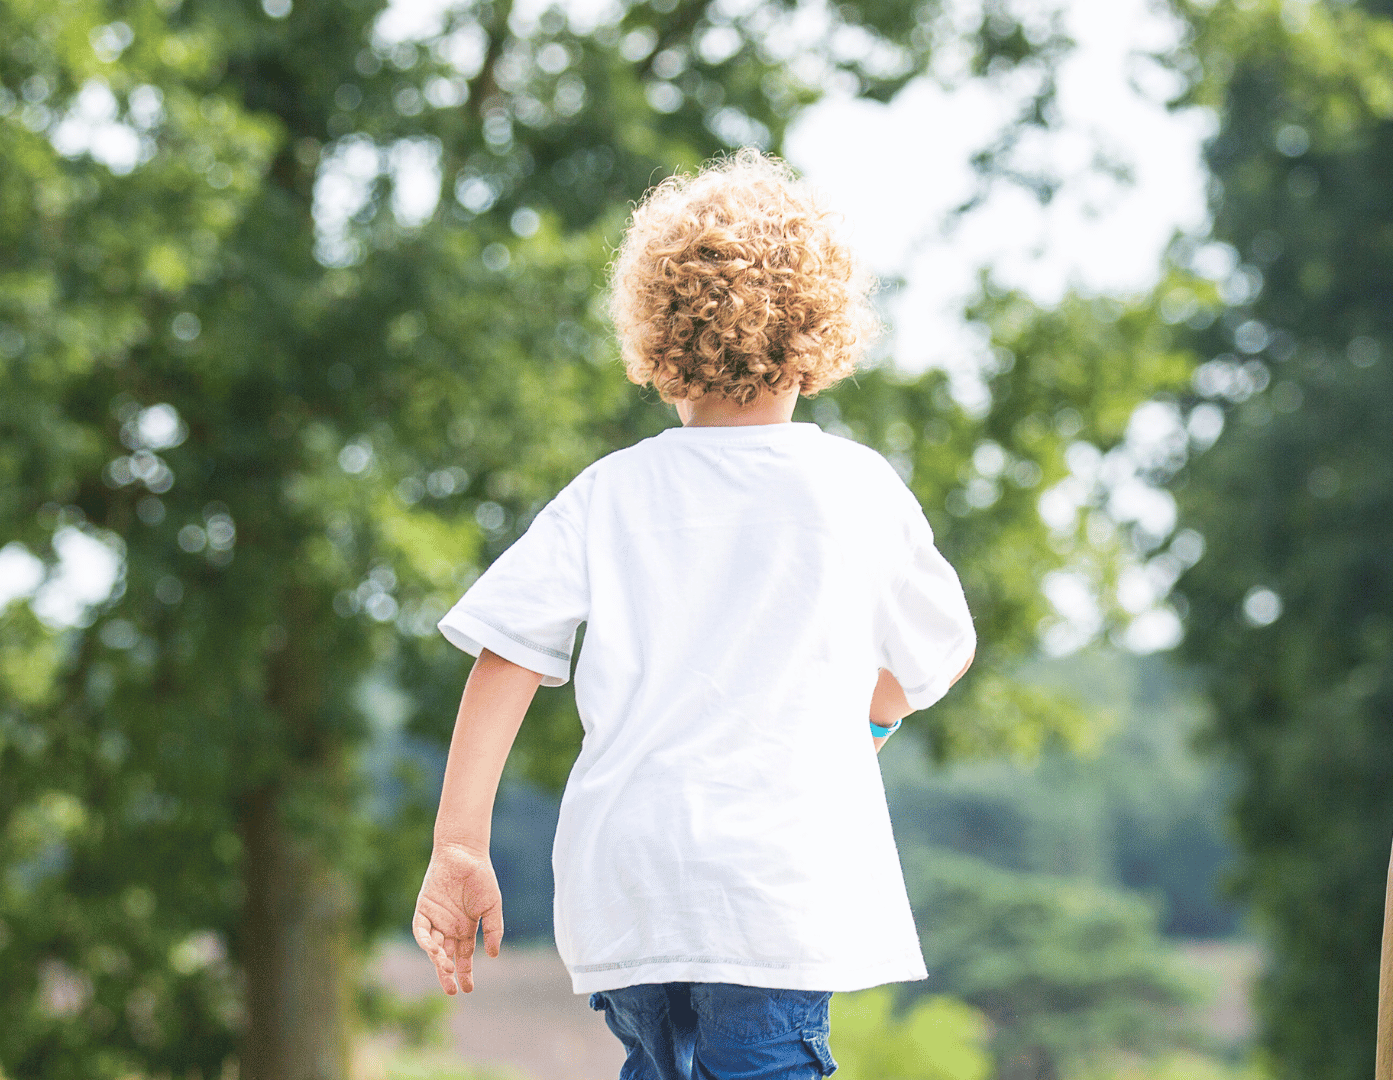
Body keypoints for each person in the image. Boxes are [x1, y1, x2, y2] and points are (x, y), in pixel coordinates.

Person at [411, 147, 977, 1080]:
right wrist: (869, 719)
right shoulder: (855, 487)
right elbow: (939, 652)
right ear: (818, 330)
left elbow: (505, 654)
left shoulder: (609, 491)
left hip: (628, 880)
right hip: (772, 890)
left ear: (658, 339)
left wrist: (459, 847)